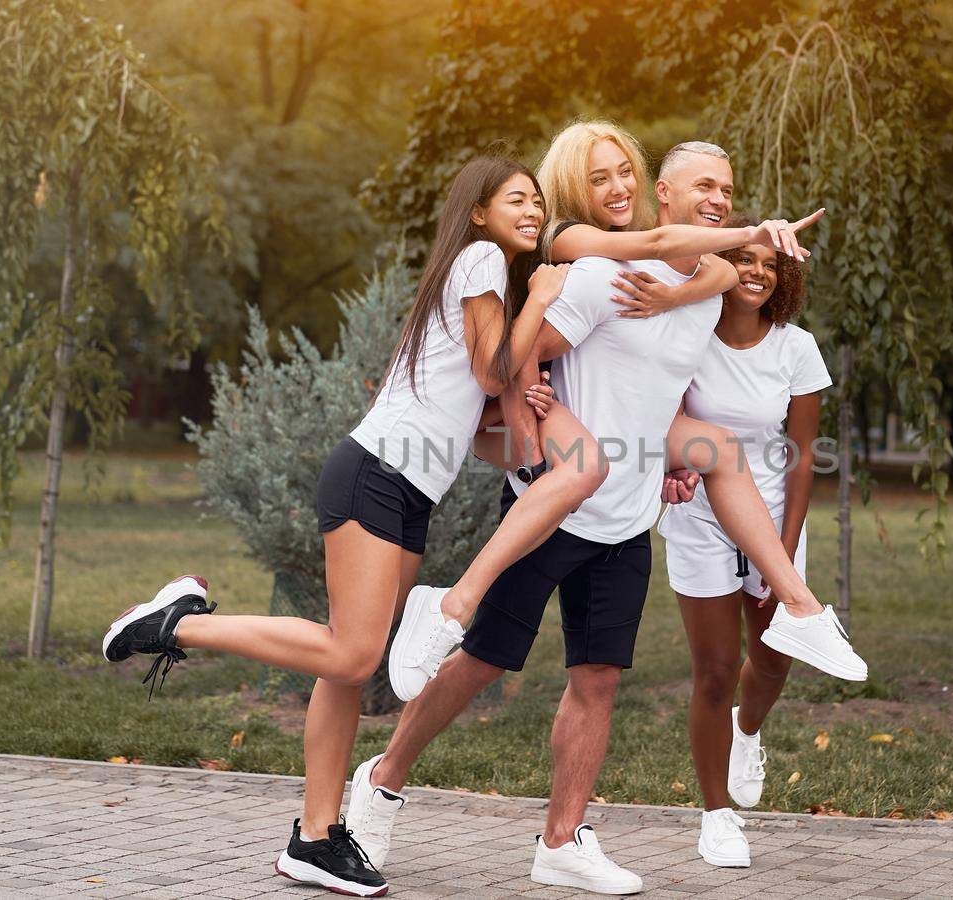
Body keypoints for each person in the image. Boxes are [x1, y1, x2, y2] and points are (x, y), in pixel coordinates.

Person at [347, 139, 866, 896]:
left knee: (598, 679)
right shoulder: (602, 275)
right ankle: (383, 778)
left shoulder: (710, 291)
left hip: (625, 521)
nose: (719, 200)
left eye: (727, 189)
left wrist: (671, 457)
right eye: (703, 189)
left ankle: (562, 840)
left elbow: (668, 384)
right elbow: (520, 362)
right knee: (483, 662)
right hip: (551, 505)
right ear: (666, 195)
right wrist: (530, 433)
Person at [99, 157, 571, 898]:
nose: (534, 210)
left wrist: (524, 406)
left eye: (538, 201)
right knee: (353, 656)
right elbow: (491, 370)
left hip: (404, 487)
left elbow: (474, 398)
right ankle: (176, 624)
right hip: (375, 475)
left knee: (345, 662)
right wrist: (542, 294)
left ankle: (315, 839)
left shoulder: (478, 279)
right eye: (518, 198)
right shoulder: (481, 259)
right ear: (477, 212)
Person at [387, 120, 827, 703]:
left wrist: (676, 294)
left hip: (588, 453)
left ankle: (798, 601)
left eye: (625, 172)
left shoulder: (630, 254)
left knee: (715, 450)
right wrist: (753, 232)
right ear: (575, 186)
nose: (619, 187)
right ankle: (450, 605)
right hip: (511, 404)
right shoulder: (568, 237)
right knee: (581, 472)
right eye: (600, 178)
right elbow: (654, 250)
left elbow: (708, 271)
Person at [658, 215, 830, 868]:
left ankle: (747, 731)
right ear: (722, 267)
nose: (757, 272)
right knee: (715, 671)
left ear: (782, 276)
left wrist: (781, 552)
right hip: (700, 518)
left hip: (776, 523)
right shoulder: (689, 339)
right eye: (745, 260)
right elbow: (662, 417)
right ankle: (717, 815)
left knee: (775, 659)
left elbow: (805, 456)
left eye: (770, 264)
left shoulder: (796, 347)